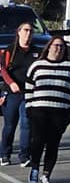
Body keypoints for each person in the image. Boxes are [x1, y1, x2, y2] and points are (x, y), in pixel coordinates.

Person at [24, 36, 70, 183]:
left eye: (62, 47)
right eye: (56, 45)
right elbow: (29, 88)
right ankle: (35, 168)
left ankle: (46, 174)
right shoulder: (37, 65)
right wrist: (29, 108)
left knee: (53, 144)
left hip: (60, 112)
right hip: (39, 110)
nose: (58, 49)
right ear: (48, 47)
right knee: (37, 141)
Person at [0, 22, 41, 166]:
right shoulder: (10, 50)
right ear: (18, 32)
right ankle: (4, 154)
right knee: (10, 125)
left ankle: (24, 155)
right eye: (25, 30)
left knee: (26, 124)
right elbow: (3, 70)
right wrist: (11, 83)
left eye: (30, 31)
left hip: (29, 93)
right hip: (12, 93)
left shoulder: (37, 52)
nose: (28, 34)